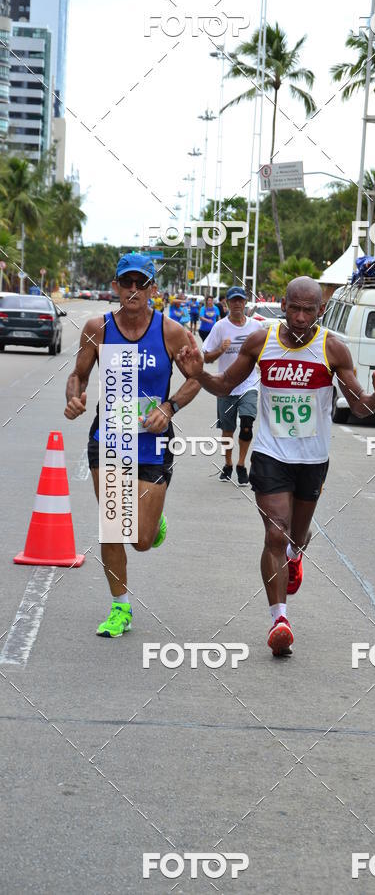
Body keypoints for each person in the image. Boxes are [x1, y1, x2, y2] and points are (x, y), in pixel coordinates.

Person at [178, 276, 375, 657]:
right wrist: (198, 374)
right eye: (293, 308)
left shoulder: (332, 348)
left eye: (307, 310)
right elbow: (226, 384)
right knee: (275, 535)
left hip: (312, 459)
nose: (299, 317)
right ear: (283, 304)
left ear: (321, 310)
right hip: (269, 454)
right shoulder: (261, 340)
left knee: (296, 536)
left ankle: (295, 558)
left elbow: (360, 406)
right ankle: (279, 619)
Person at [64, 252, 201, 638]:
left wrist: (170, 407)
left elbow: (195, 379)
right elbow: (78, 376)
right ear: (116, 288)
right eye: (127, 282)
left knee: (140, 540)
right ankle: (119, 607)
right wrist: (74, 398)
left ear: (154, 290)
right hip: (108, 438)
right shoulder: (98, 328)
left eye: (142, 283)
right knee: (112, 527)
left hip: (153, 443)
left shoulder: (171, 332)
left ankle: (154, 522)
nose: (134, 290)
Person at [203, 286, 263, 485]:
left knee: (247, 424)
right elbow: (206, 357)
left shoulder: (256, 327)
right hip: (226, 385)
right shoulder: (220, 327)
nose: (237, 304)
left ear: (245, 302)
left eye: (240, 300)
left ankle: (241, 464)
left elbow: (266, 353)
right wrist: (221, 349)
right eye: (233, 301)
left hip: (249, 384)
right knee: (227, 431)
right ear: (226, 303)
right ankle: (228, 464)